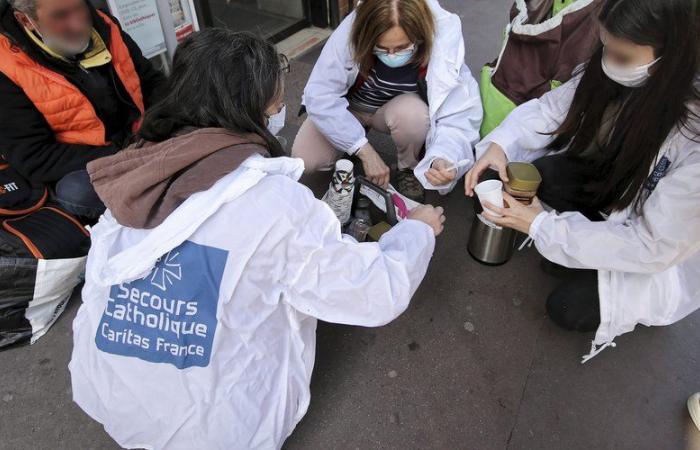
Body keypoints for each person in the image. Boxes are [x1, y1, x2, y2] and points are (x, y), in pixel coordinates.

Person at [69, 29, 446, 449]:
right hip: (216, 430)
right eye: (276, 99)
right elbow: (374, 290)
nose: (281, 108)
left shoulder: (136, 168)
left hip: (112, 397)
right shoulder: (274, 205)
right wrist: (418, 231)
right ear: (248, 108)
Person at [465, 0, 700, 360]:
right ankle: (573, 243)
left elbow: (651, 245)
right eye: (605, 47)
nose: (608, 62)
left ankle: (576, 250)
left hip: (654, 249)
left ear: (670, 53)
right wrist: (500, 144)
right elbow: (551, 109)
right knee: (547, 177)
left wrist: (543, 226)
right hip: (617, 188)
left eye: (622, 57)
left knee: (567, 308)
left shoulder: (693, 133)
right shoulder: (618, 68)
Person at [292, 0, 482, 202]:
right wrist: (363, 149)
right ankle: (353, 144)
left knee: (413, 115)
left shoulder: (442, 42)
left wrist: (443, 157)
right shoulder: (351, 30)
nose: (391, 56)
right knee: (307, 159)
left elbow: (458, 114)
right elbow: (320, 95)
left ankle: (408, 168)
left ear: (419, 36)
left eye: (402, 47)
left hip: (393, 113)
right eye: (381, 48)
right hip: (349, 109)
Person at [0, 0, 164, 219]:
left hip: (142, 137)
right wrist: (124, 154)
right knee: (75, 192)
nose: (78, 24)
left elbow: (151, 82)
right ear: (25, 20)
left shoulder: (105, 25)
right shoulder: (6, 67)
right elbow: (34, 157)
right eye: (60, 16)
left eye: (80, 8)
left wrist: (161, 122)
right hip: (90, 162)